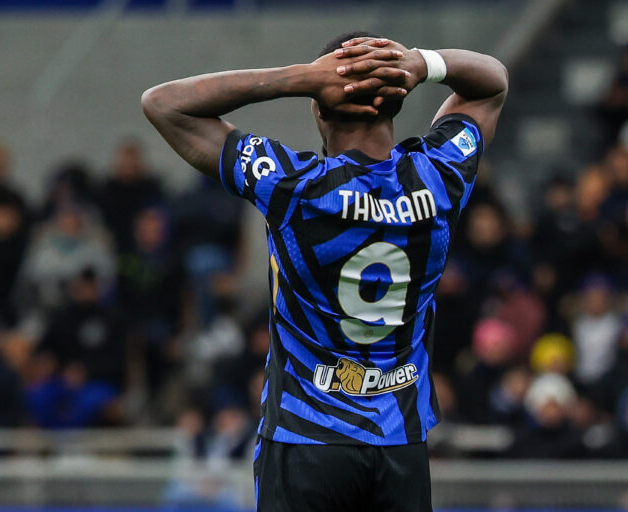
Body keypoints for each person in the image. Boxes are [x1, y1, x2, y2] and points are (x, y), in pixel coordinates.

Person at [143, 32, 507, 511]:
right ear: (397, 98)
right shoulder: (439, 176)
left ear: (318, 107)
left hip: (304, 436)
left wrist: (302, 77)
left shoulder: (294, 186)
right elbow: (492, 83)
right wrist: (422, 63)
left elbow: (164, 104)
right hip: (400, 440)